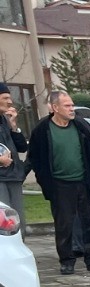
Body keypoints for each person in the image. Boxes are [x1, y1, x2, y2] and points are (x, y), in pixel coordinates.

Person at [27, 89, 90, 275]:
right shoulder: (42, 129)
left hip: (83, 182)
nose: (72, 109)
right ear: (55, 108)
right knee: (64, 224)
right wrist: (43, 180)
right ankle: (67, 260)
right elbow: (35, 158)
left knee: (89, 222)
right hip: (59, 184)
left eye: (72, 105)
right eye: (67, 105)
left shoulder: (81, 126)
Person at [0, 84, 28, 235]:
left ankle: (19, 250)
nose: (10, 102)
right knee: (3, 223)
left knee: (17, 221)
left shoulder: (5, 120)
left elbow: (22, 147)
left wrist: (14, 127)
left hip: (14, 176)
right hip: (1, 180)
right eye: (5, 98)